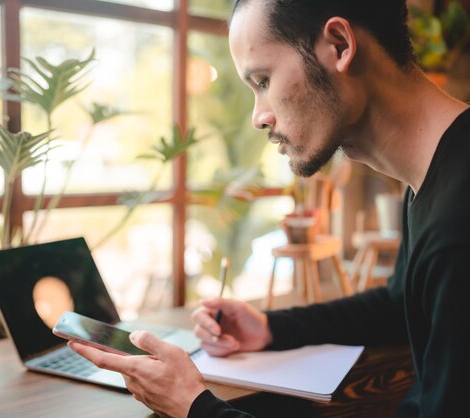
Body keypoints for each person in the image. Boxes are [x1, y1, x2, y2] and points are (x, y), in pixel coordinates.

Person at [70, 0, 470, 416]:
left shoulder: (459, 224)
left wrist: (193, 407)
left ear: (338, 45)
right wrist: (269, 328)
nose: (258, 118)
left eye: (262, 80)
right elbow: (399, 304)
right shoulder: (437, 175)